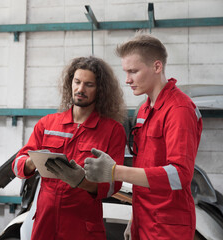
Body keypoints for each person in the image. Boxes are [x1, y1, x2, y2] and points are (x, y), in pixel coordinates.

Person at [84, 34, 203, 240]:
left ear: (157, 67)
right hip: (143, 216)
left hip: (168, 224)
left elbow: (180, 174)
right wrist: (134, 217)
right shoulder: (144, 110)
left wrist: (115, 171)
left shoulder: (179, 110)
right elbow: (146, 165)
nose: (127, 79)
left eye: (133, 71)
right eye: (126, 72)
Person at [12, 56, 127, 240]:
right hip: (45, 224)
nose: (80, 89)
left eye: (89, 84)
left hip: (82, 227)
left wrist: (82, 181)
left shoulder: (113, 131)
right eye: (77, 82)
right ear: (70, 83)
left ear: (101, 90)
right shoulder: (47, 124)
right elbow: (17, 165)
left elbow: (114, 184)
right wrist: (31, 162)